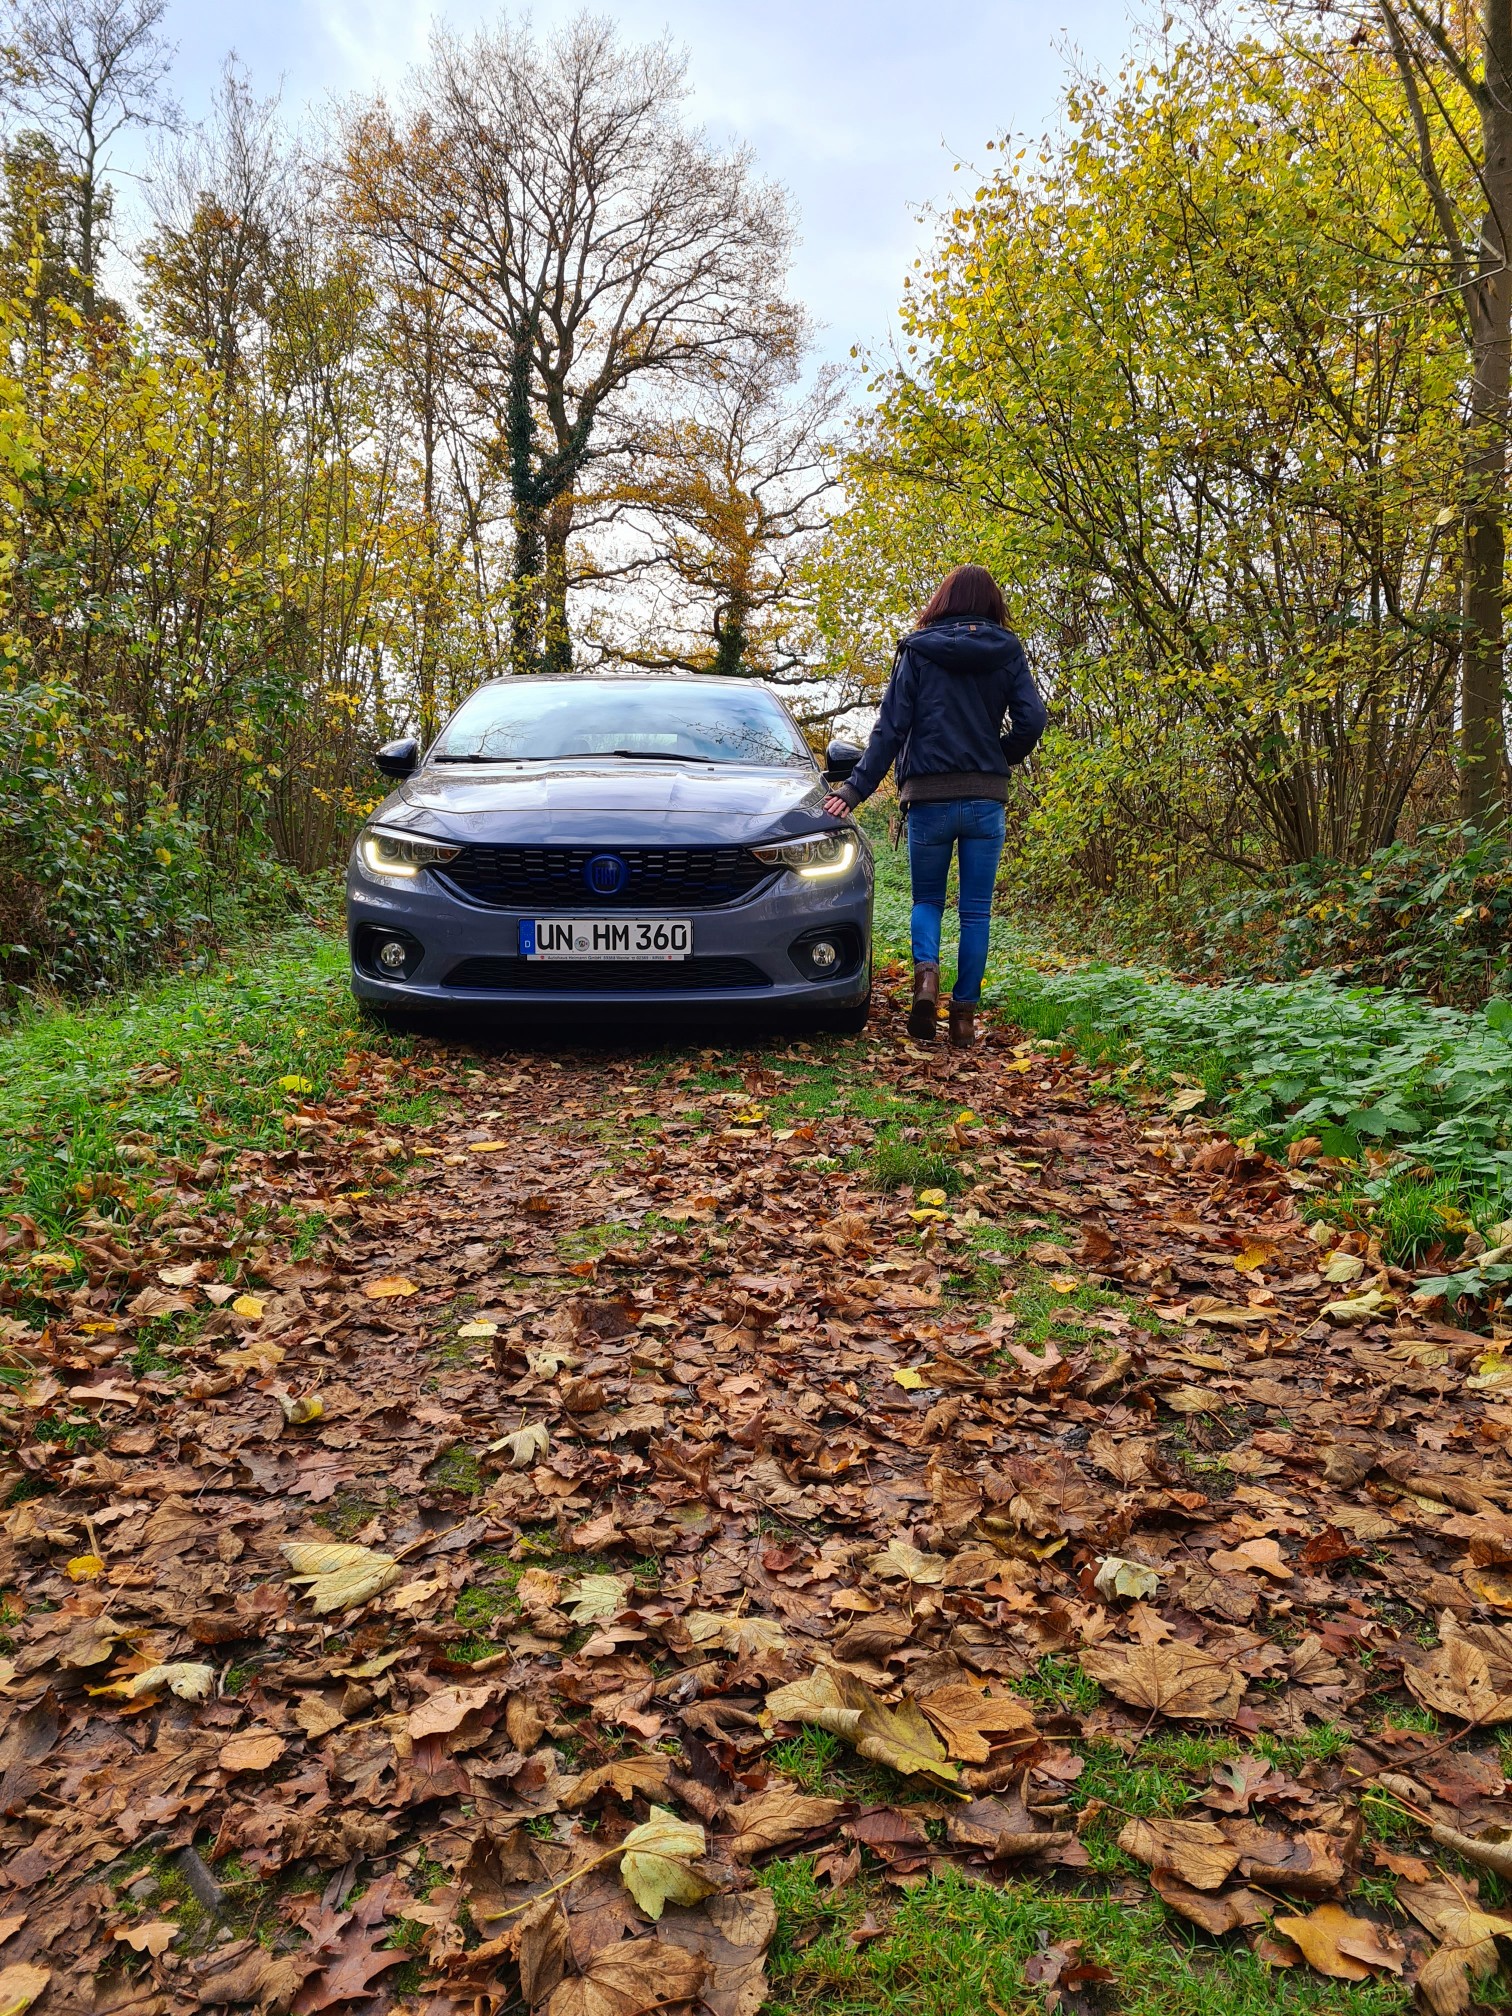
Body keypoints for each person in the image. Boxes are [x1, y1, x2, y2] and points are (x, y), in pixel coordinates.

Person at [824, 564, 1046, 1048]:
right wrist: (996, 757)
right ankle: (963, 1018)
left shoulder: (917, 651)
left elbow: (890, 728)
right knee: (976, 913)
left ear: (943, 600)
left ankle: (926, 979)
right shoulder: (1008, 651)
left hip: (928, 798)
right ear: (991, 603)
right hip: (985, 798)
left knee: (927, 901)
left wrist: (853, 790)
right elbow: (1032, 720)